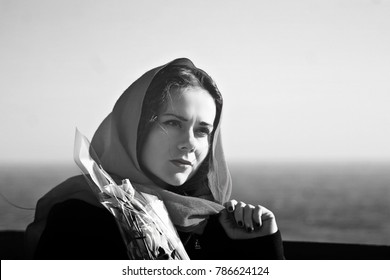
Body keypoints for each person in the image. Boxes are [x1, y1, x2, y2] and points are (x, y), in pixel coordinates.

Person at [25, 58, 284, 259]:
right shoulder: (81, 218)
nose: (189, 143)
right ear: (135, 129)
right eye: (173, 123)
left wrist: (262, 243)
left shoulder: (220, 226)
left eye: (203, 130)